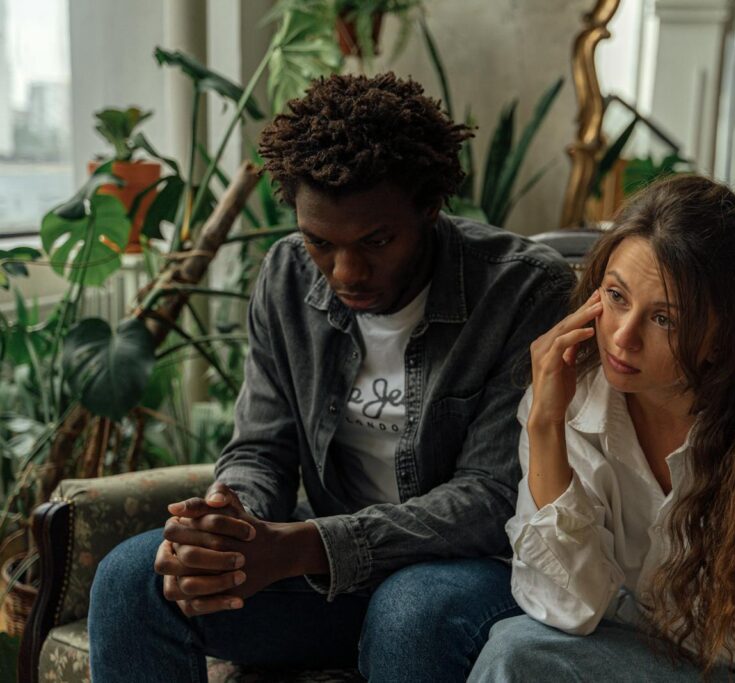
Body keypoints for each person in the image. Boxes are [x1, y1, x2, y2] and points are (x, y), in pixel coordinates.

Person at [88, 72, 574, 682]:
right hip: (329, 580)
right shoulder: (287, 275)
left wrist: (306, 545)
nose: (346, 272)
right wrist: (231, 515)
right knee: (134, 579)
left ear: (429, 206)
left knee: (411, 610)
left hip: (469, 575)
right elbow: (262, 446)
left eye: (376, 240)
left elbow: (491, 498)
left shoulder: (524, 289)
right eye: (320, 241)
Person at [470, 174, 735, 682]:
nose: (622, 337)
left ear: (724, 339)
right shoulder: (570, 396)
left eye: (665, 320)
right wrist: (545, 424)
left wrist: (602, 608)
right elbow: (565, 608)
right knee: (492, 638)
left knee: (519, 655)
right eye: (615, 296)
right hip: (620, 641)